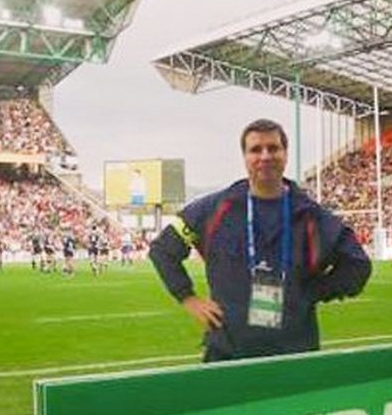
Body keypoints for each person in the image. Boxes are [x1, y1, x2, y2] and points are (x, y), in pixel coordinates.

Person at [149, 118, 371, 362]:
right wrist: (188, 297)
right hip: (227, 353)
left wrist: (311, 292)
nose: (265, 156)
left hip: (295, 353)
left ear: (285, 154)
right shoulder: (215, 209)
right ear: (245, 157)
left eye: (273, 148)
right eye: (255, 150)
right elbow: (162, 249)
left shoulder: (310, 214)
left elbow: (358, 265)